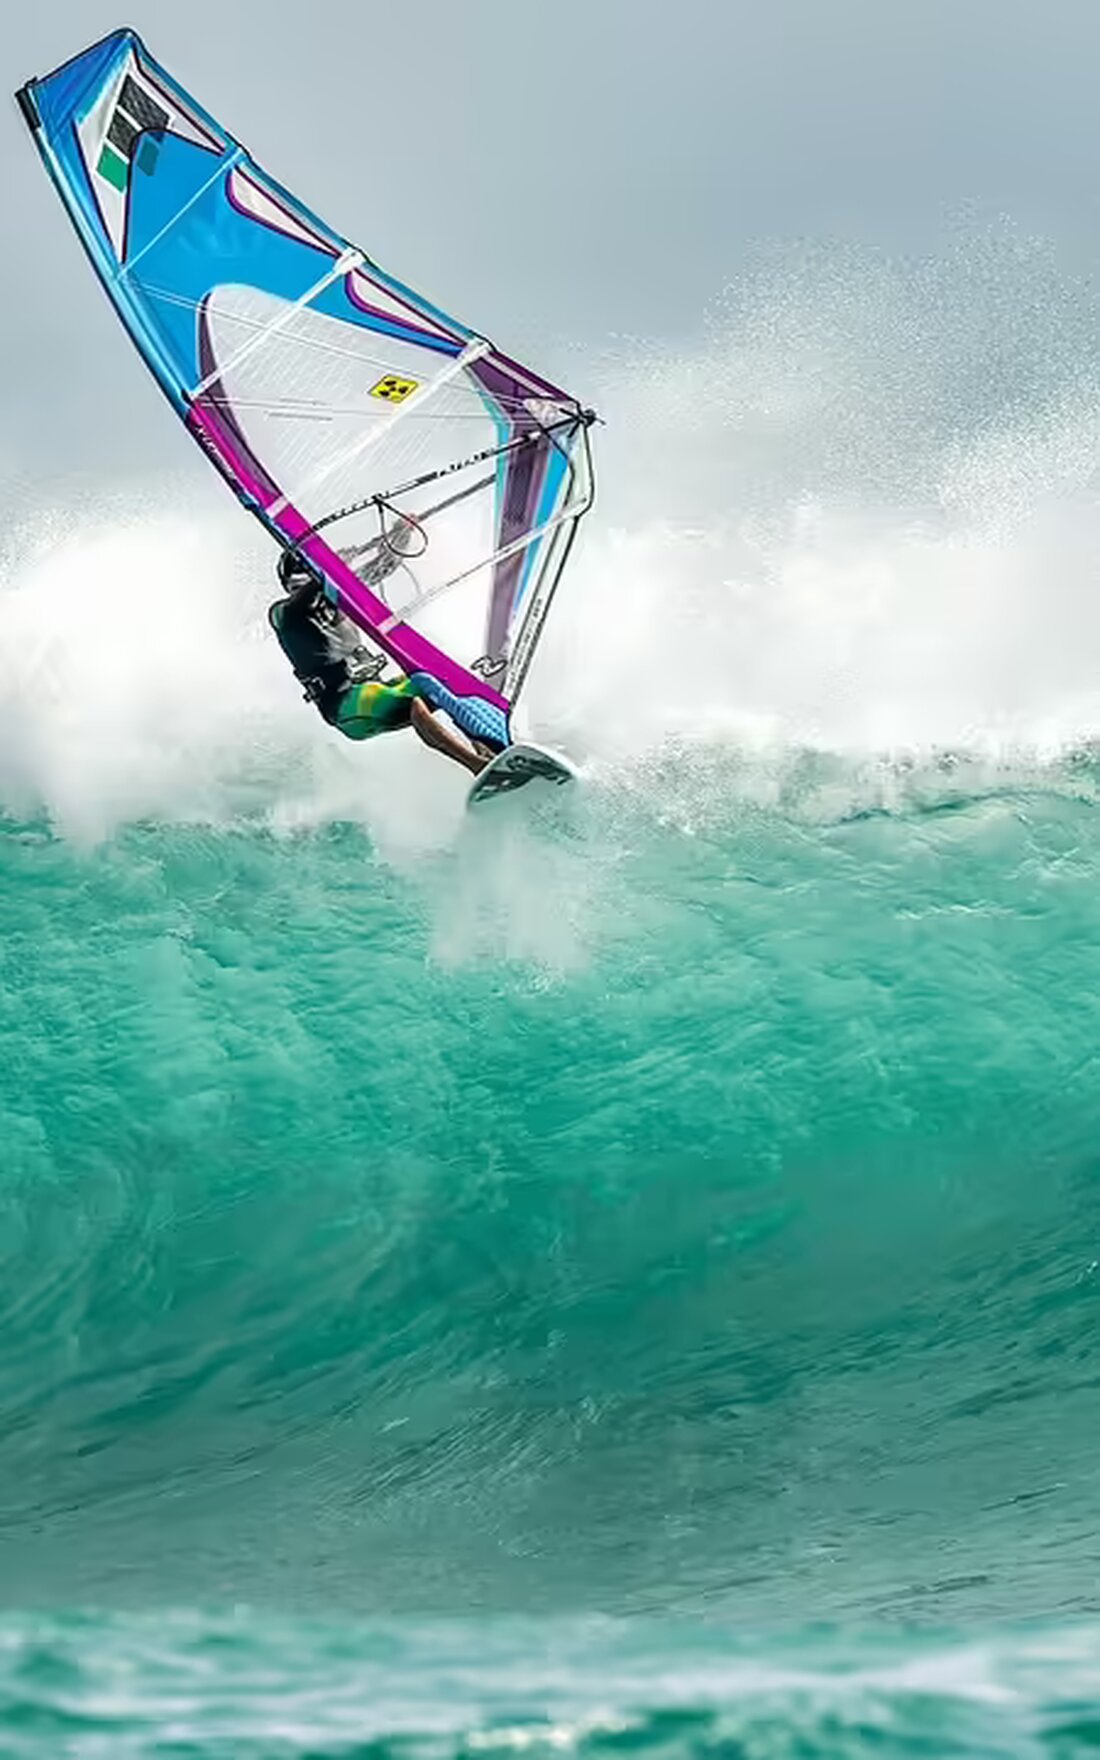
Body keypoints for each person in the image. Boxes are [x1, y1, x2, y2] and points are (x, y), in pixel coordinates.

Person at [268, 549, 503, 777]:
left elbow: (383, 566)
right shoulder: (283, 614)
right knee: (418, 699)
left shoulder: (337, 601)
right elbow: (306, 598)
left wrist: (400, 537)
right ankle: (476, 766)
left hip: (373, 690)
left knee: (448, 683)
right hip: (346, 706)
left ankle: (489, 751)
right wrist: (332, 566)